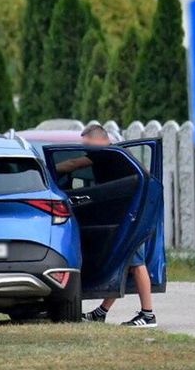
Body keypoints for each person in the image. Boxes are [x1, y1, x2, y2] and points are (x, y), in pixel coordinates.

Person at [66, 125, 159, 328]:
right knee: (123, 263)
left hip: (130, 218)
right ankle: (101, 312)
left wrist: (48, 169)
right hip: (126, 216)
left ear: (100, 139)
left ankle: (148, 314)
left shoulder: (106, 154)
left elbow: (73, 164)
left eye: (87, 144)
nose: (86, 149)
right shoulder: (120, 155)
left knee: (136, 264)